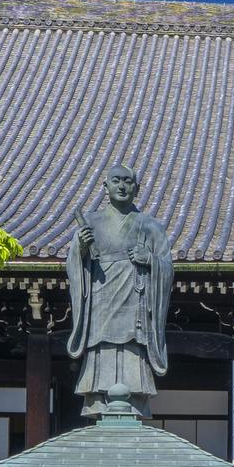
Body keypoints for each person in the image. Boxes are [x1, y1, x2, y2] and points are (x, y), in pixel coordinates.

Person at [64, 162, 174, 418]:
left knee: (132, 356)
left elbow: (167, 269)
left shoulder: (152, 228)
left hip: (135, 312)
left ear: (136, 188)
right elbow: (73, 267)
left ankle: (133, 402)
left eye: (128, 181)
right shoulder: (90, 224)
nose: (122, 186)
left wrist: (150, 260)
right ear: (105, 186)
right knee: (101, 358)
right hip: (101, 307)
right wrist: (80, 249)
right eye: (116, 181)